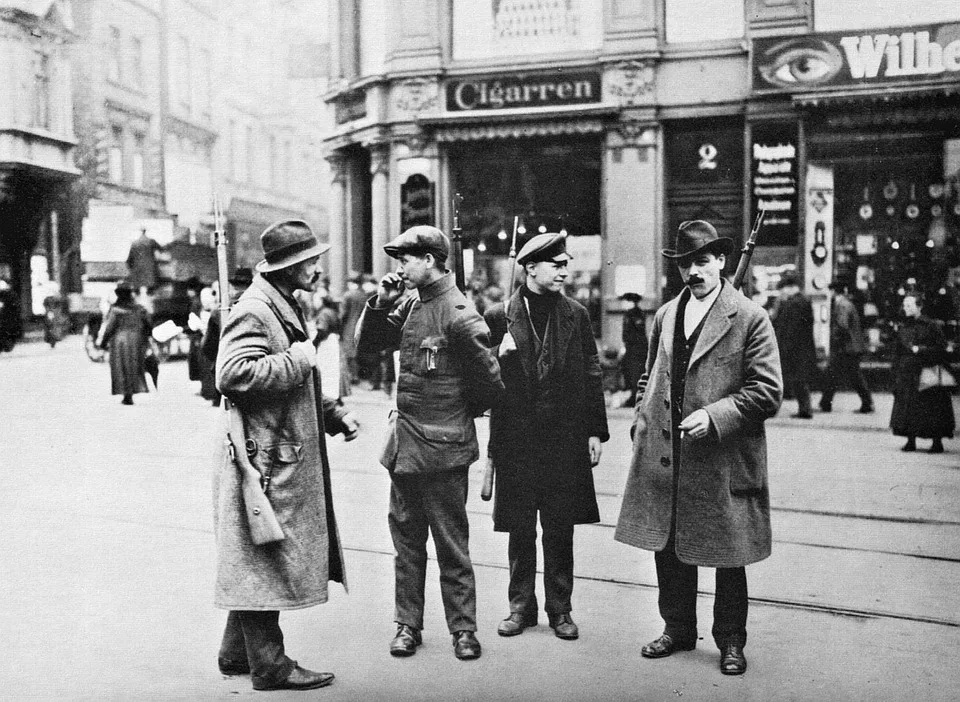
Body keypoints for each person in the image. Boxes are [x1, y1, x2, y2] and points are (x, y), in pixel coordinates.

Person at [614, 220, 783, 676]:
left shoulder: (749, 317)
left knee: (729, 553)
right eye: (686, 263)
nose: (694, 271)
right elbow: (650, 374)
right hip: (667, 455)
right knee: (667, 546)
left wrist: (715, 415)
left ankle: (730, 640)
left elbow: (767, 391)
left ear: (722, 261)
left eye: (703, 261)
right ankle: (678, 628)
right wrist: (641, 419)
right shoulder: (667, 314)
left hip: (723, 457)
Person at [213, 220, 360, 692]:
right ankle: (270, 665)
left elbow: (298, 384)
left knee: (261, 553)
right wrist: (299, 359)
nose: (317, 268)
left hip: (278, 452)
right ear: (289, 267)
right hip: (264, 461)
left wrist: (332, 413)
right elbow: (231, 374)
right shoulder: (255, 310)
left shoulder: (281, 305)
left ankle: (236, 653)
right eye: (310, 261)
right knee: (265, 557)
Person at [355, 225, 503, 661]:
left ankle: (463, 630)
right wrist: (380, 304)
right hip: (404, 449)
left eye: (406, 259)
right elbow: (369, 349)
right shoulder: (410, 304)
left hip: (442, 451)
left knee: (451, 545)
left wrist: (452, 419)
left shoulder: (458, 313)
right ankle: (407, 625)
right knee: (406, 544)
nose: (399, 266)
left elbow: (489, 386)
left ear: (431, 261)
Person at [484, 233, 608, 642]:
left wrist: (595, 430)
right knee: (520, 528)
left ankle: (561, 609)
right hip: (517, 439)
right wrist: (496, 360)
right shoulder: (497, 315)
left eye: (565, 263)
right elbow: (479, 382)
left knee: (560, 527)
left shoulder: (576, 313)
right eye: (556, 264)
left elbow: (592, 371)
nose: (564, 271)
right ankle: (521, 607)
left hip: (564, 439)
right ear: (531, 267)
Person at [889, 293, 955, 454]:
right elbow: (898, 351)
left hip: (927, 370)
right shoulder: (904, 326)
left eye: (909, 305)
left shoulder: (931, 325)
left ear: (919, 307)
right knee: (909, 406)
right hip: (908, 372)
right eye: (905, 305)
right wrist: (895, 370)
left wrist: (921, 350)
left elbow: (941, 349)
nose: (906, 308)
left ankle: (936, 442)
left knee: (931, 407)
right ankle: (910, 439)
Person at [201, 268, 253, 406]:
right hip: (253, 378)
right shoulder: (260, 306)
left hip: (224, 375)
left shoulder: (218, 311)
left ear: (231, 287)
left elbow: (207, 346)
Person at [819, 281, 874, 414]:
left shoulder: (842, 305)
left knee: (837, 375)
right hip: (849, 347)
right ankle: (826, 402)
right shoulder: (846, 303)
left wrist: (835, 340)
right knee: (848, 375)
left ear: (833, 291)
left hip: (846, 348)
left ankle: (826, 403)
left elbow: (842, 325)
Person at [97, 281, 152, 405]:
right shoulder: (139, 309)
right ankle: (132, 392)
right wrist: (147, 338)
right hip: (137, 340)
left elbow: (109, 328)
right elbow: (148, 325)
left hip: (119, 341)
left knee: (121, 368)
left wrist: (103, 343)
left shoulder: (116, 310)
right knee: (134, 366)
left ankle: (126, 394)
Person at [770, 271, 816, 419]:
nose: (782, 293)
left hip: (794, 349)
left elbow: (790, 329)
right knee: (798, 380)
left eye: (782, 289)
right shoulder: (803, 301)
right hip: (802, 347)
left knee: (795, 379)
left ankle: (805, 410)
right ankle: (805, 409)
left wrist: (783, 348)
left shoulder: (794, 304)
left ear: (789, 287)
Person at [620, 292, 649, 408]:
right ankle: (634, 397)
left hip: (636, 350)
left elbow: (634, 334)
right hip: (634, 349)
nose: (622, 303)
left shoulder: (634, 314)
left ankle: (635, 398)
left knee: (635, 374)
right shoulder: (635, 314)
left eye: (625, 301)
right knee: (632, 374)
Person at [339, 274, 366, 389]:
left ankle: (352, 376)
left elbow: (343, 314)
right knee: (357, 351)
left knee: (349, 352)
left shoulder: (347, 295)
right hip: (362, 326)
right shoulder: (363, 295)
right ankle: (358, 375)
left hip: (349, 327)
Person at [126, 228, 163, 297]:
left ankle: (137, 302)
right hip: (150, 268)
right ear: (145, 232)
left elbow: (130, 258)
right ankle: (150, 300)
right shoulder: (151, 241)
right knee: (151, 290)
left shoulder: (134, 243)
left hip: (137, 269)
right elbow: (161, 249)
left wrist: (130, 267)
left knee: (137, 290)